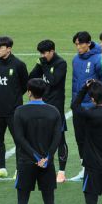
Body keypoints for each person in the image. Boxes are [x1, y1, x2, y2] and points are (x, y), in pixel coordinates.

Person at [11, 78, 63, 204]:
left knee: (22, 200)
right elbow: (57, 138)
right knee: (49, 200)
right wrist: (46, 157)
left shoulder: (20, 111)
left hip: (26, 162)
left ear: (29, 92)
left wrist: (35, 157)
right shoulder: (54, 111)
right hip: (47, 164)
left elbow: (19, 138)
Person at [29, 40, 68, 183]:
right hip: (42, 106)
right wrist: (39, 65)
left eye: (45, 53)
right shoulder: (43, 62)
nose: (43, 56)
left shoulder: (61, 63)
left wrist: (44, 65)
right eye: (41, 53)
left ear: (52, 51)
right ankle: (43, 165)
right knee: (41, 137)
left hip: (56, 108)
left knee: (59, 139)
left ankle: (62, 172)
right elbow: (31, 77)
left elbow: (53, 81)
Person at [0, 36, 28, 179]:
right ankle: (2, 168)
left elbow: (25, 85)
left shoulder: (19, 65)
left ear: (9, 49)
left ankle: (19, 169)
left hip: (14, 110)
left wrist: (14, 98)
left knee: (18, 140)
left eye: (1, 47)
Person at [70, 31, 102, 180]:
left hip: (92, 106)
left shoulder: (98, 59)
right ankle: (84, 167)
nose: (78, 47)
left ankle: (96, 166)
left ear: (88, 43)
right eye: (76, 44)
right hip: (78, 106)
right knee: (80, 138)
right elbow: (74, 82)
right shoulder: (75, 60)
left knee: (93, 138)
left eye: (80, 44)